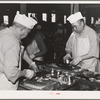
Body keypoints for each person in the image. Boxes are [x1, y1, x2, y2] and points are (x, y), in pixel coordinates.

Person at [0, 13, 38, 90]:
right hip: (5, 82)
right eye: (28, 32)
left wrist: (31, 63)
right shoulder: (13, 41)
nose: (27, 35)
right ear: (22, 30)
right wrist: (26, 73)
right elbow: (11, 73)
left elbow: (21, 49)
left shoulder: (4, 33)